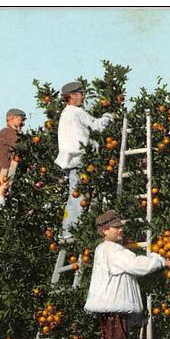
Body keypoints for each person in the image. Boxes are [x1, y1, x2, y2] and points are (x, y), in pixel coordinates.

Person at [84, 209, 170, 339]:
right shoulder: (111, 250)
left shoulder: (107, 250)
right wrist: (159, 260)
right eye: (116, 228)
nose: (120, 231)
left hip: (113, 312)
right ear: (105, 230)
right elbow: (136, 265)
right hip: (113, 312)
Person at [55, 80, 113, 239]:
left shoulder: (65, 114)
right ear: (72, 97)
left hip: (73, 163)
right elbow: (96, 125)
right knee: (80, 198)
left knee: (76, 197)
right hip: (82, 162)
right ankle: (70, 232)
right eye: (80, 94)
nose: (83, 97)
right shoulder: (76, 112)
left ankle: (69, 230)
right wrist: (108, 116)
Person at [0, 108, 26, 188]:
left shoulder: (11, 133)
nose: (23, 123)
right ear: (13, 118)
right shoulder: (7, 132)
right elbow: (22, 146)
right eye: (21, 119)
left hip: (7, 170)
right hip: (4, 171)